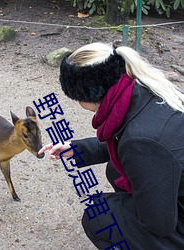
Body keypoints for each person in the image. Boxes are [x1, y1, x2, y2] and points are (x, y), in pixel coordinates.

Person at [38, 42, 184, 250]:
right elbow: (126, 138)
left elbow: (159, 224)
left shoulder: (141, 142)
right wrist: (77, 149)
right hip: (174, 184)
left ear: (89, 93)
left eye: (77, 98)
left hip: (174, 221)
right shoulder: (143, 88)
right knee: (115, 169)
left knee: (98, 216)